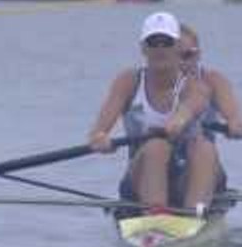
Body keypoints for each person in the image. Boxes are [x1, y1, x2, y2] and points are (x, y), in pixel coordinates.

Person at [88, 12, 218, 216]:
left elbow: (193, 104)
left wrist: (177, 122)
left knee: (204, 147)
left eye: (166, 42)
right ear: (143, 48)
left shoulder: (195, 86)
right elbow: (98, 131)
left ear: (177, 46)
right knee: (156, 147)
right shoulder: (128, 81)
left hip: (186, 179)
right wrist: (101, 139)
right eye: (153, 42)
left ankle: (195, 215)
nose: (159, 49)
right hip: (140, 182)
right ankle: (156, 218)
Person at [175, 24, 242, 210]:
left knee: (202, 148)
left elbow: (234, 115)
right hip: (149, 174)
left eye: (187, 55)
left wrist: (235, 124)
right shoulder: (137, 82)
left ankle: (193, 217)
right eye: (172, 55)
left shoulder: (212, 80)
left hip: (202, 167)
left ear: (198, 54)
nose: (181, 62)